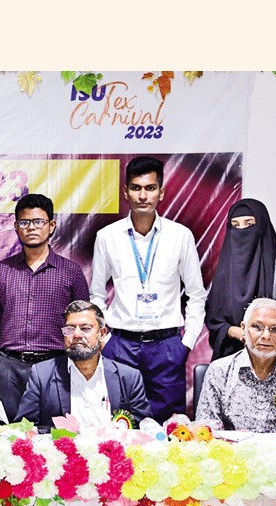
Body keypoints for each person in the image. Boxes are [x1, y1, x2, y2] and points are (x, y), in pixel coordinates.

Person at [90, 156, 207, 424]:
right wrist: (106, 342)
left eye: (150, 188)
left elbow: (196, 295)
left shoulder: (180, 236)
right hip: (120, 345)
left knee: (169, 427)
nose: (143, 196)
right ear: (126, 192)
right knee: (118, 423)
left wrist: (186, 343)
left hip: (167, 347)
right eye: (136, 188)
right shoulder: (107, 236)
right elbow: (96, 294)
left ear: (161, 192)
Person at [0, 193, 90, 423]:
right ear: (16, 227)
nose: (31, 228)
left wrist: (84, 373)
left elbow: (85, 327)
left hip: (55, 367)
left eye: (38, 222)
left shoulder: (71, 272)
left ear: (51, 226)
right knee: (6, 434)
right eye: (24, 222)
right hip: (9, 369)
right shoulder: (1, 271)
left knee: (58, 434)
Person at [16, 301, 152, 432]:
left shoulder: (128, 377)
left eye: (85, 328)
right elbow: (25, 429)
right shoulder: (42, 374)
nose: (76, 334)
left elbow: (144, 430)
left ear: (102, 333)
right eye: (69, 329)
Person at [206, 198, 276, 360]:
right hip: (231, 360)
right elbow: (214, 321)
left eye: (249, 224)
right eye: (235, 225)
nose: (241, 230)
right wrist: (236, 332)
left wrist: (264, 330)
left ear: (262, 227)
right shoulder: (224, 273)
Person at [196, 298, 276, 434]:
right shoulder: (219, 371)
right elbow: (206, 432)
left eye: (275, 329)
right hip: (232, 448)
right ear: (243, 328)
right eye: (257, 327)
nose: (266, 335)